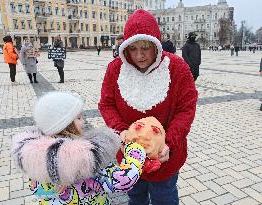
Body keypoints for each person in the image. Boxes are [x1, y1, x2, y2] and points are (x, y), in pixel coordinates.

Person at [99, 9, 198, 205]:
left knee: (164, 198)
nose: (139, 55)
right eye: (133, 48)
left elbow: (186, 109)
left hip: (165, 156)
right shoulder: (115, 68)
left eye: (145, 47)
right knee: (135, 198)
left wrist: (168, 143)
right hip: (130, 155)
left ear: (156, 44)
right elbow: (107, 104)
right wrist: (121, 131)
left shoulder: (177, 68)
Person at [12, 91, 146, 205]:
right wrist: (136, 152)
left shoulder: (34, 157)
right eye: (79, 117)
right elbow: (122, 181)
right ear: (65, 124)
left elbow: (36, 189)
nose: (83, 121)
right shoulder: (85, 159)